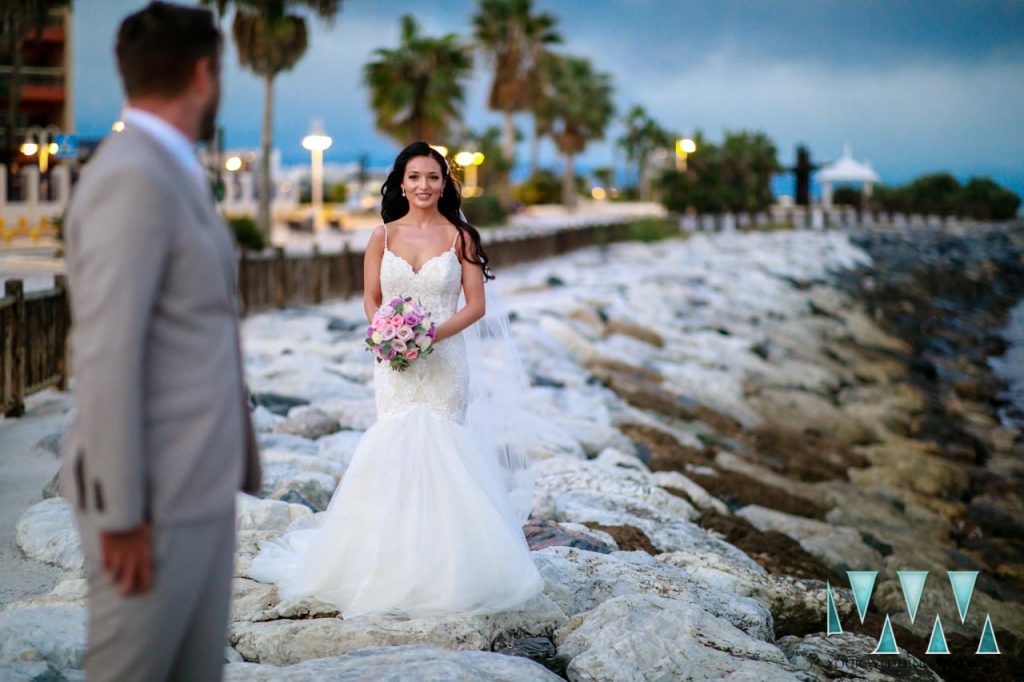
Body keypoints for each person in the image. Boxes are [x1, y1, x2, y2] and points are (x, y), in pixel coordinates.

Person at [249, 141, 543, 617]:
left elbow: (476, 306)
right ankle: (383, 562)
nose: (423, 186)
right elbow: (371, 296)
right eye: (414, 177)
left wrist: (428, 336)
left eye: (432, 177)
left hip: (444, 363)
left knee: (444, 450)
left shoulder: (460, 237)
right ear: (400, 184)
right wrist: (385, 331)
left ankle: (446, 567)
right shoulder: (382, 237)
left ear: (444, 183)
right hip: (393, 363)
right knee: (394, 447)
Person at [60, 3, 261, 680]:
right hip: (151, 503)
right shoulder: (133, 176)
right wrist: (121, 512)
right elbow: (107, 347)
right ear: (205, 74)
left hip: (195, 486)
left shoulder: (166, 167)